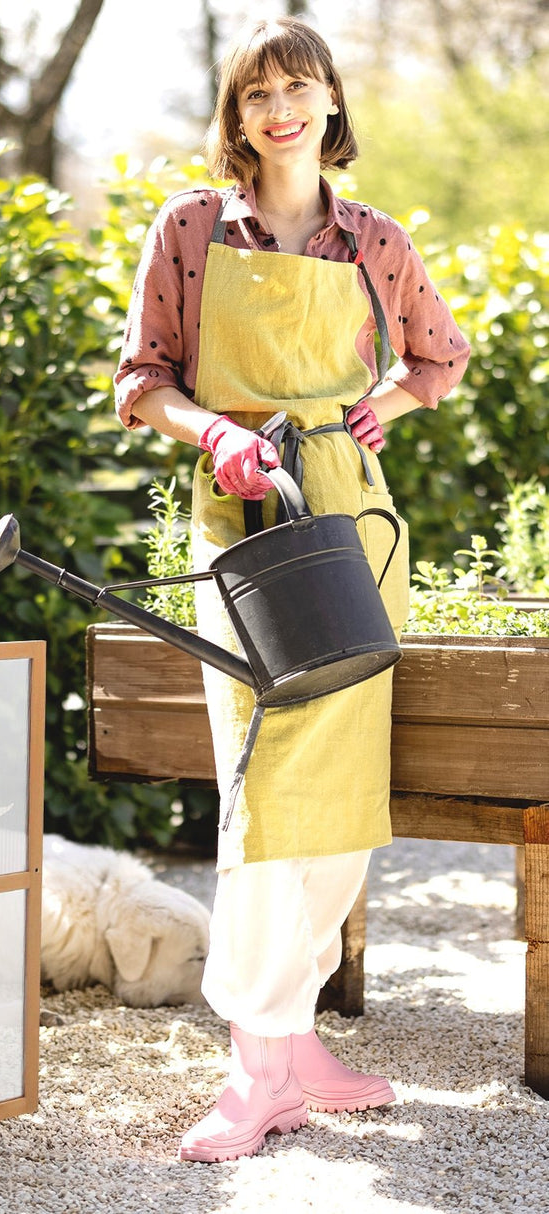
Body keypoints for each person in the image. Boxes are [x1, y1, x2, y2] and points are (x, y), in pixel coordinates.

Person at [114, 17, 469, 1163]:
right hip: (245, 521)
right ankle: (254, 1064)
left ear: (329, 103)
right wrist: (214, 431)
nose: (278, 109)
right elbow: (141, 380)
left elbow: (439, 357)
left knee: (340, 787)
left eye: (297, 88)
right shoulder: (189, 229)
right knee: (264, 778)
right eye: (256, 93)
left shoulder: (374, 240)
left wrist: (381, 408)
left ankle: (296, 1036)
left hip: (349, 518)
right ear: (236, 114)